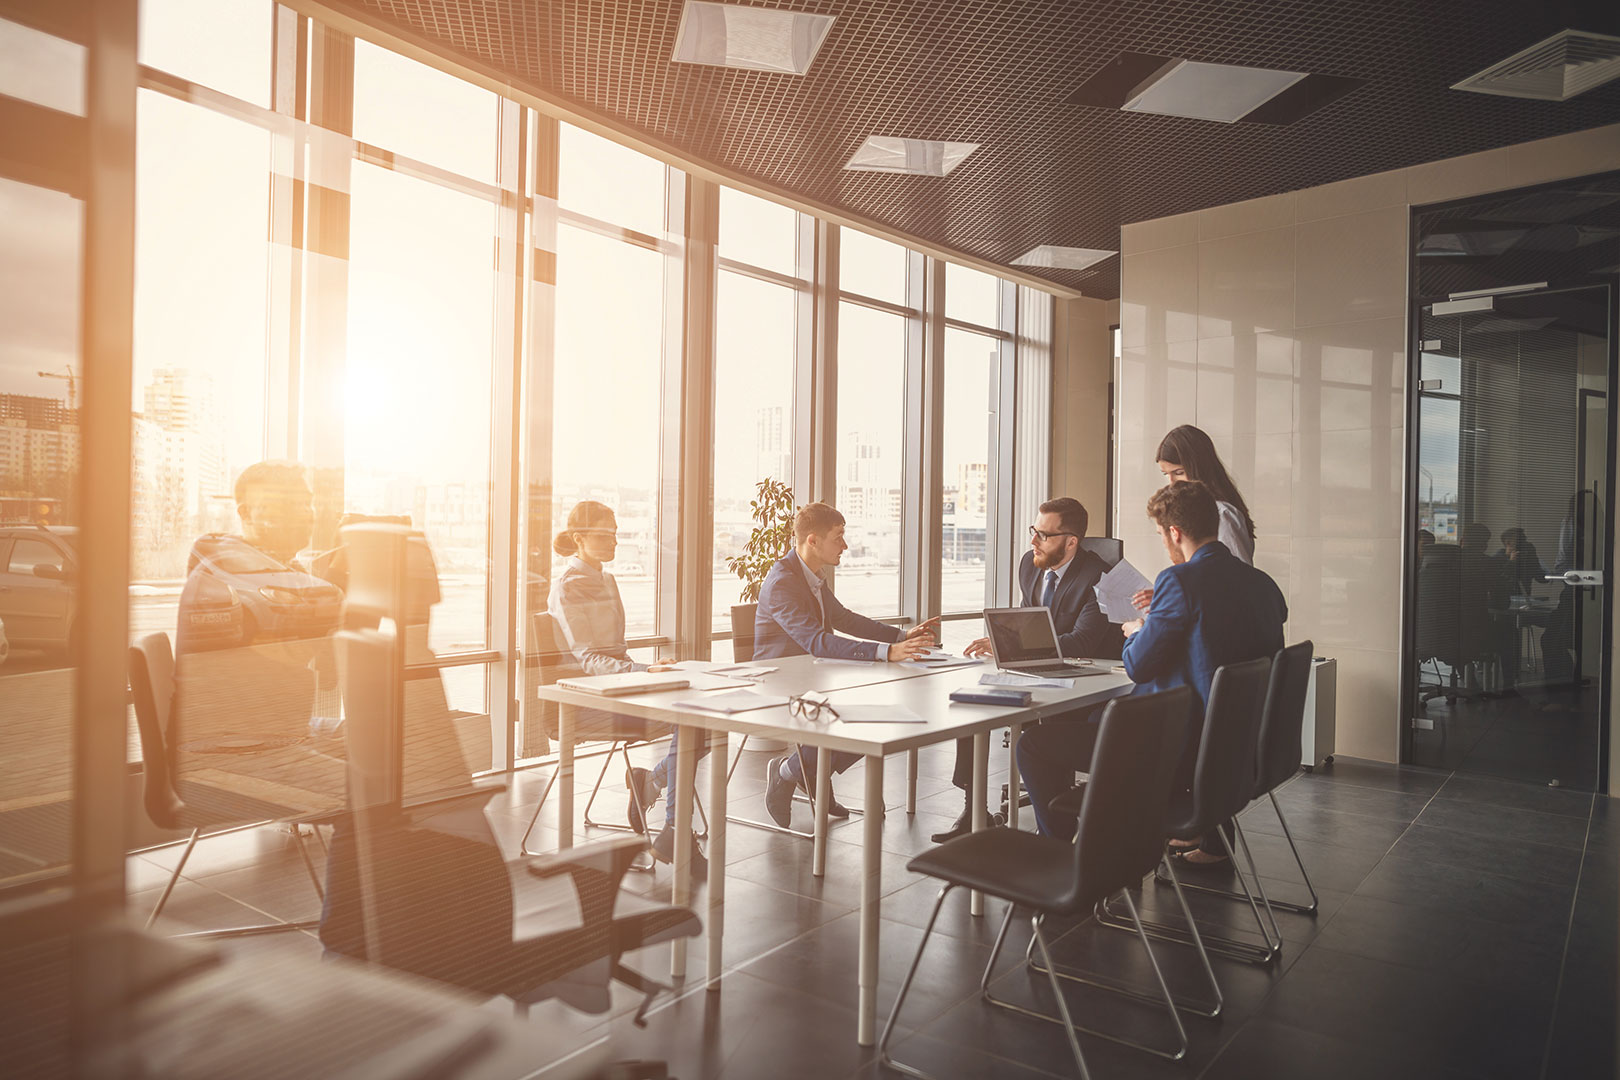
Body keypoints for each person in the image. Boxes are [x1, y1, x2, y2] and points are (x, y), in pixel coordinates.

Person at [1018, 481, 1285, 861]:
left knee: (1034, 745)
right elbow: (1224, 636)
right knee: (1097, 717)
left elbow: (1138, 664)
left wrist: (1139, 629)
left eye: (1162, 535)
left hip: (1171, 748)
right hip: (1237, 746)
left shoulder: (1178, 580)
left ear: (1175, 532)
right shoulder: (1262, 584)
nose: (1164, 543)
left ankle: (1061, 859)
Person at [936, 497, 1123, 843]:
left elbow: (1082, 641)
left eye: (1043, 536)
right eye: (1033, 531)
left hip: (1087, 682)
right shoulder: (1030, 565)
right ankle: (973, 808)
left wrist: (1015, 647)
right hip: (1038, 670)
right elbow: (1029, 620)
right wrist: (1003, 640)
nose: (1033, 542)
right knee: (974, 701)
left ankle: (1055, 831)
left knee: (1041, 737)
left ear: (1071, 542)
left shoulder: (1100, 577)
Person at [754, 502, 939, 827]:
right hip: (780, 684)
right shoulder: (783, 582)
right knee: (856, 719)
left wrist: (900, 635)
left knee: (871, 717)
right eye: (838, 537)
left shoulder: (810, 576)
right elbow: (817, 641)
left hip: (811, 678)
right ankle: (789, 772)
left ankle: (805, 772)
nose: (845, 545)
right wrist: (887, 652)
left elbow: (842, 619)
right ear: (812, 540)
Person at [549, 500, 704, 875]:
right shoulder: (567, 588)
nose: (614, 542)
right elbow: (587, 657)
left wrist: (647, 669)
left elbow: (614, 649)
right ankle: (675, 831)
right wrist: (640, 669)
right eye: (605, 535)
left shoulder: (607, 579)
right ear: (578, 538)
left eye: (615, 534)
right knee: (691, 721)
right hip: (587, 698)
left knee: (702, 719)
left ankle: (651, 786)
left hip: (621, 685)